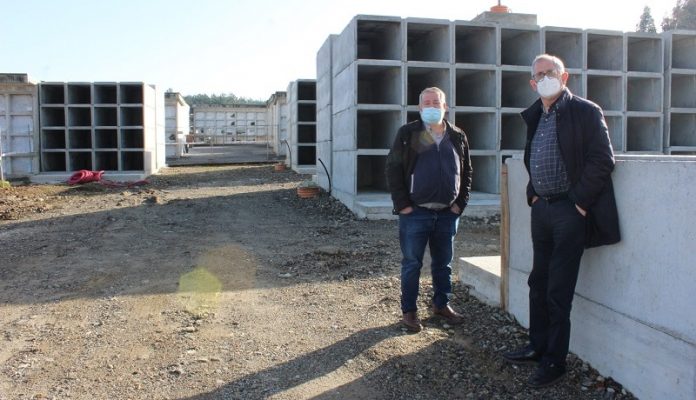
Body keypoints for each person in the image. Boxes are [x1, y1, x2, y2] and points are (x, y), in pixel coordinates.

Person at [502, 54, 620, 388]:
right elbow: (533, 158)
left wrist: (579, 204)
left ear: (564, 76)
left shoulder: (585, 111)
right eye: (538, 75)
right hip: (542, 210)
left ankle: (555, 360)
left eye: (550, 72)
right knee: (537, 283)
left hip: (570, 212)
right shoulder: (537, 115)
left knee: (558, 290)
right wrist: (533, 194)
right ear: (532, 83)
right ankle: (537, 347)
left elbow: (602, 160)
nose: (544, 78)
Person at [385, 87, 473, 333]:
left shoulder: (457, 135)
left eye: (437, 102)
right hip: (416, 213)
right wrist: (403, 205)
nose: (432, 105)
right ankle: (409, 311)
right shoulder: (409, 134)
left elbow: (467, 172)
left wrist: (459, 204)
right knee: (412, 263)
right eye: (427, 102)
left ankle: (441, 304)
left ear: (445, 106)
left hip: (447, 213)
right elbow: (392, 169)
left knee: (443, 263)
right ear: (420, 108)